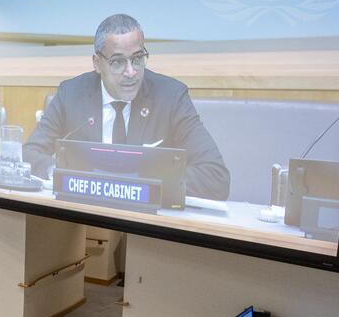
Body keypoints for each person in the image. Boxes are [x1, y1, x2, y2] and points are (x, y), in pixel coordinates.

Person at [22, 14, 231, 201]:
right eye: (117, 62)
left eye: (138, 59)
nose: (131, 72)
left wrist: (137, 183)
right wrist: (61, 173)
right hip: (85, 214)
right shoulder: (71, 94)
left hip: (149, 221)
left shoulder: (171, 97)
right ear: (97, 63)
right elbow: (29, 154)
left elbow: (216, 177)